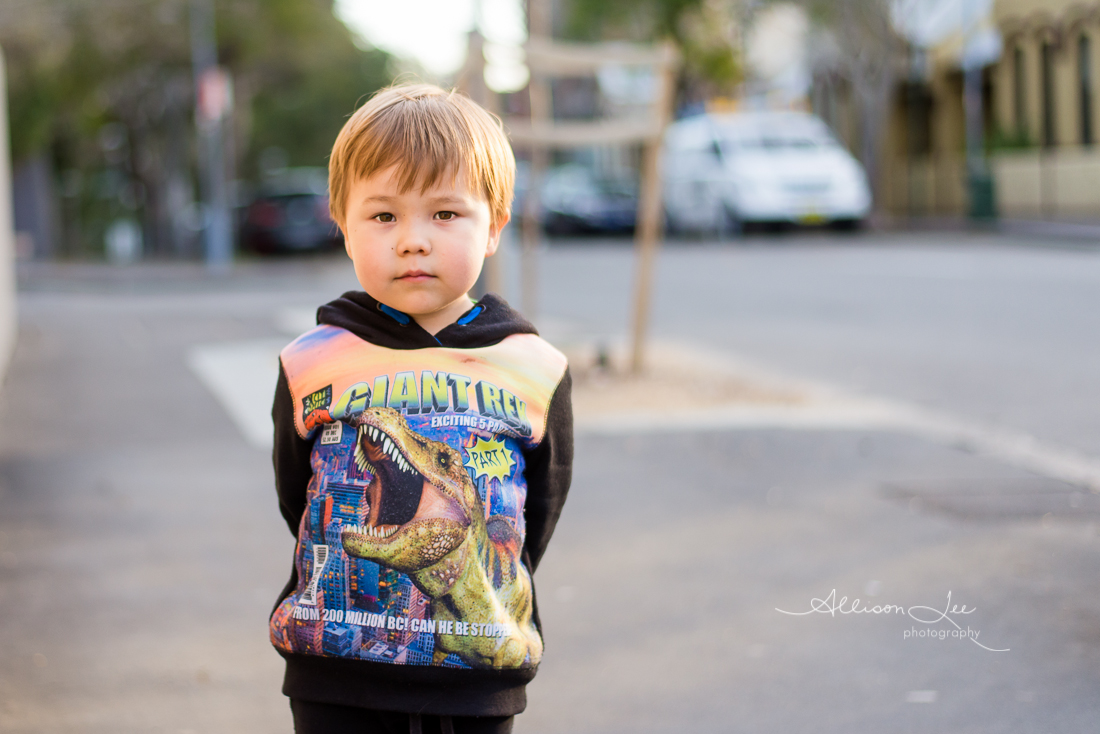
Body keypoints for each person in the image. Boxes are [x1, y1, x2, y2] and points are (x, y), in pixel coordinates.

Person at [268, 84, 574, 734]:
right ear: (342, 224)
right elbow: (301, 500)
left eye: (444, 214)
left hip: (477, 683)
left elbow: (532, 513)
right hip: (334, 678)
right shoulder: (311, 360)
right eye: (384, 217)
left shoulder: (535, 367)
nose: (413, 241)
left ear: (493, 225)